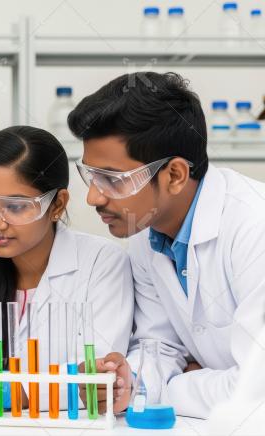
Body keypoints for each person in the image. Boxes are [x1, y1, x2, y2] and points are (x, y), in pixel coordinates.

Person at [67, 71, 265, 418]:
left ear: (174, 175)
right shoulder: (147, 232)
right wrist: (129, 381)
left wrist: (174, 387)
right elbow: (159, 346)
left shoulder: (254, 228)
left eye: (112, 179)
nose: (93, 197)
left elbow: (255, 390)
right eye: (91, 175)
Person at [0, 126, 133, 414]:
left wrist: (15, 392)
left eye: (16, 207)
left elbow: (97, 380)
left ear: (57, 204)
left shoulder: (102, 263)